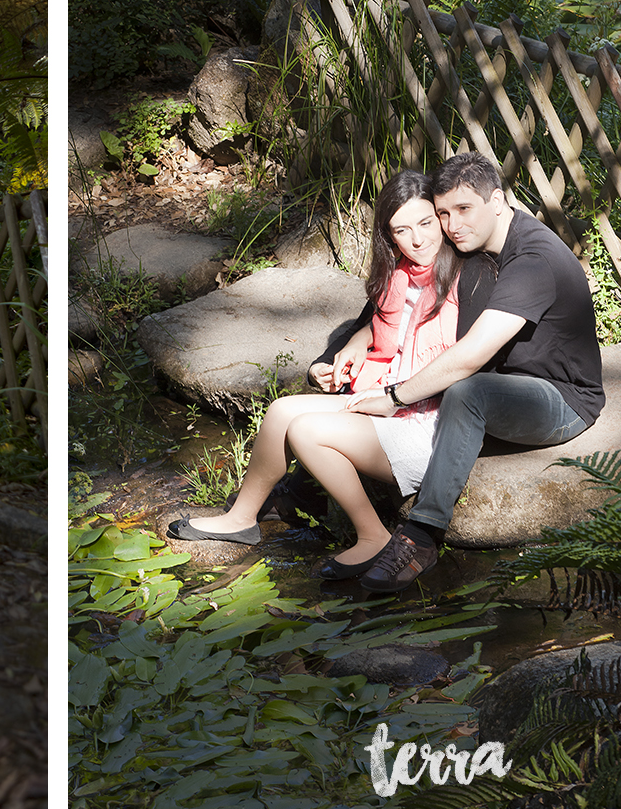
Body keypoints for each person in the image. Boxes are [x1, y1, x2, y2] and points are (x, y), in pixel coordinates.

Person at [168, 170, 469, 578]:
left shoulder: (468, 275)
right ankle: (241, 518)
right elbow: (385, 323)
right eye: (402, 230)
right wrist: (356, 344)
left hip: (426, 418)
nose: (417, 239)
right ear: (389, 236)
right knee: (280, 412)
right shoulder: (400, 273)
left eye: (425, 223)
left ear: (441, 217)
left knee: (306, 430)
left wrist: (389, 387)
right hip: (388, 395)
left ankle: (373, 536)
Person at [346, 152, 604, 592]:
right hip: (511, 382)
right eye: (443, 213)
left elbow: (470, 356)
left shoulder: (532, 259)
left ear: (498, 201)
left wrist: (394, 397)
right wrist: (355, 343)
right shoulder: (484, 245)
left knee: (469, 391)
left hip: (561, 398)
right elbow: (392, 302)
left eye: (464, 209)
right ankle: (304, 492)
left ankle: (422, 537)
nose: (452, 224)